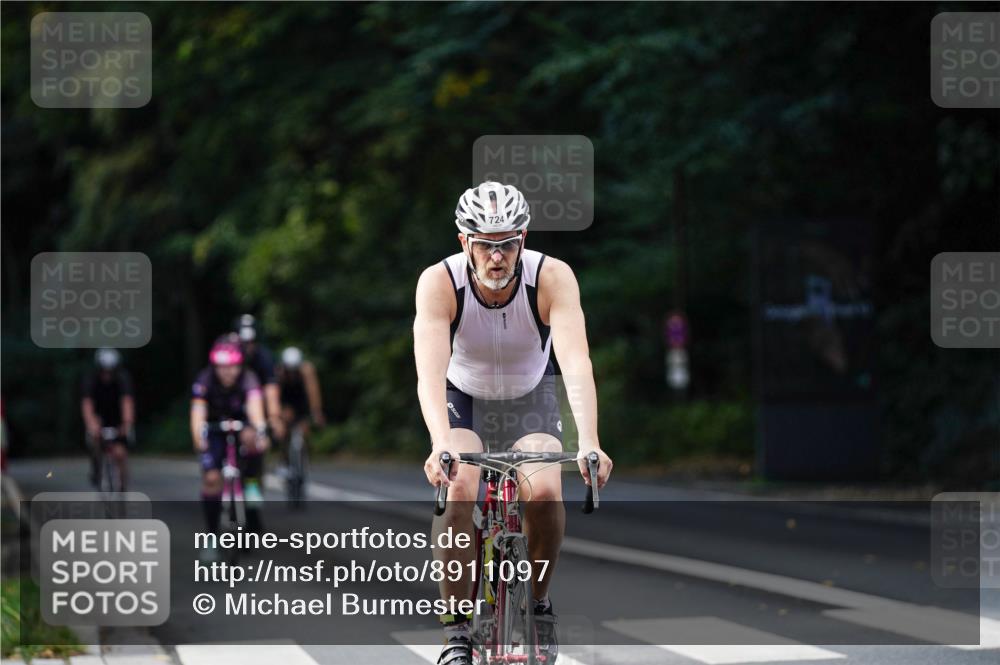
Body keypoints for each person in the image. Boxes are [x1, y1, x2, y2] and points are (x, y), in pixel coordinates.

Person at [414, 181, 613, 665]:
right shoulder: (440, 282)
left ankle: (538, 604)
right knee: (458, 488)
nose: (497, 256)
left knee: (544, 492)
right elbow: (429, 375)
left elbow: (576, 362)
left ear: (523, 239)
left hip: (531, 394)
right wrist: (440, 444)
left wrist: (590, 439)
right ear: (465, 242)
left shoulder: (552, 277)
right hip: (465, 397)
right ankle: (456, 629)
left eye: (507, 243)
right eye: (485, 243)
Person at [190, 336, 269, 562]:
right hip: (214, 430)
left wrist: (259, 429)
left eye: (232, 367)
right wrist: (198, 438)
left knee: (254, 438)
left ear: (239, 365)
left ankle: (251, 482)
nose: (227, 373)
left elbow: (255, 410)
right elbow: (197, 414)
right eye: (222, 367)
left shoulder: (249, 378)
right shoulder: (204, 380)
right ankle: (212, 537)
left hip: (242, 427)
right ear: (215, 366)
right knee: (212, 479)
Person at [81, 348, 135, 491]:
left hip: (117, 418)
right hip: (99, 417)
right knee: (95, 442)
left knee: (120, 453)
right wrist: (91, 424)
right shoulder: (91, 379)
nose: (107, 374)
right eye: (104, 370)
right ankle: (96, 469)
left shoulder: (123, 379)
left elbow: (127, 402)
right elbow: (87, 404)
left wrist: (126, 423)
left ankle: (122, 484)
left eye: (110, 371)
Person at [235, 314, 285, 441]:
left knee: (258, 438)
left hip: (257, 400)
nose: (247, 347)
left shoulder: (264, 358)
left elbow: (271, 389)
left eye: (251, 342)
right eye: (244, 342)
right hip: (231, 400)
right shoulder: (226, 357)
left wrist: (274, 417)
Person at [276, 346, 325, 469]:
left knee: (304, 430)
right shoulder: (280, 372)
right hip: (287, 401)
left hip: (301, 402)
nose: (292, 373)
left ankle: (304, 456)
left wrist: (316, 412)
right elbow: (275, 395)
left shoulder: (307, 371)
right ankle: (284, 458)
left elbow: (313, 393)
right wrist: (278, 414)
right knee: (284, 430)